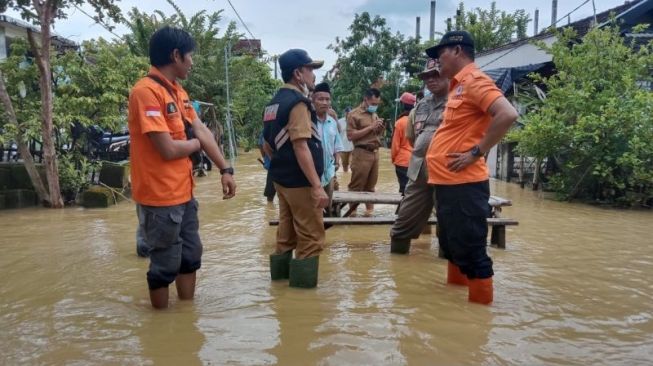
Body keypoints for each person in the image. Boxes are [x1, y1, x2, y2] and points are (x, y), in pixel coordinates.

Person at [128, 26, 237, 309]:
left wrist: (226, 169)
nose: (192, 62)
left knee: (190, 257)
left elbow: (201, 130)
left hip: (184, 193)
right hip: (159, 197)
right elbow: (167, 149)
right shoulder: (145, 92)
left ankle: (186, 319)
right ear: (175, 55)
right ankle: (162, 328)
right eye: (190, 56)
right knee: (164, 265)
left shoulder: (178, 92)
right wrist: (195, 145)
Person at [425, 31, 519, 305]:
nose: (436, 62)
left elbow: (507, 114)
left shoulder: (475, 80)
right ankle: (455, 303)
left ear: (456, 50)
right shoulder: (457, 86)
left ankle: (478, 320)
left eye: (439, 54)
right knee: (452, 246)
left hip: (464, 184)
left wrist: (476, 152)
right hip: (447, 184)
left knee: (471, 250)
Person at [262, 49, 329, 289]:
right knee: (311, 238)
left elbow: (266, 146)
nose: (313, 75)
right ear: (298, 74)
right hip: (300, 182)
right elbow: (301, 147)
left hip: (281, 180)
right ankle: (303, 304)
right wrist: (317, 186)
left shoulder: (273, 103)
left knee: (286, 235)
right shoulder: (298, 104)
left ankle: (279, 292)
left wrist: (281, 165)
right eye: (310, 69)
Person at [389, 59, 448, 254]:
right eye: (426, 77)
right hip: (418, 171)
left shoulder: (460, 101)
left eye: (436, 74)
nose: (430, 80)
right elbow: (413, 138)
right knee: (402, 224)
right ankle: (399, 268)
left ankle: (445, 275)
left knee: (448, 227)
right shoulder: (421, 105)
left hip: (447, 173)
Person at [347, 88, 384, 216]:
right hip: (361, 153)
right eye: (373, 104)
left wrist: (379, 128)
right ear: (365, 100)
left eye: (377, 104)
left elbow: (375, 134)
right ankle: (352, 214)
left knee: (371, 187)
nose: (375, 106)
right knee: (356, 186)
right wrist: (370, 127)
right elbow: (351, 136)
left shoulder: (374, 114)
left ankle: (369, 214)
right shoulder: (353, 114)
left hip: (375, 153)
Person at [312, 82, 343, 215]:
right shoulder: (308, 121)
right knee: (314, 208)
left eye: (327, 99)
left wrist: (337, 161)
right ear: (313, 101)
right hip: (313, 173)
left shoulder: (332, 122)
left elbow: (337, 145)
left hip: (329, 172)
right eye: (320, 99)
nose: (324, 102)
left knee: (328, 206)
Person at [390, 92, 416, 194]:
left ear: (402, 105)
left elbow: (395, 146)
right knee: (413, 190)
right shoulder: (418, 120)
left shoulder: (400, 122)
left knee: (404, 190)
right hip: (416, 161)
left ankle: (403, 209)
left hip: (402, 161)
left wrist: (394, 159)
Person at [258, 132, 275, 202]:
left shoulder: (264, 132)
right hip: (275, 166)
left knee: (270, 194)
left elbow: (261, 146)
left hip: (272, 167)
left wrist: (265, 158)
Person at [336, 107, 354, 173]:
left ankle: (353, 180)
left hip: (353, 147)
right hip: (343, 147)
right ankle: (345, 177)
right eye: (348, 113)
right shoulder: (339, 122)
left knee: (352, 165)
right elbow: (336, 134)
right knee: (345, 166)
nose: (349, 115)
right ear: (345, 113)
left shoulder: (355, 121)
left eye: (350, 113)